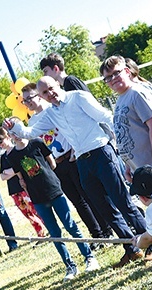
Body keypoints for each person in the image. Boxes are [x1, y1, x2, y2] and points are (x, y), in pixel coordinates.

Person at [5, 76, 147, 269]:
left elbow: (105, 116)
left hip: (101, 151)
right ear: (42, 96)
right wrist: (15, 127)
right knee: (103, 206)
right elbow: (30, 134)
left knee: (122, 200)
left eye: (51, 88)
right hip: (82, 160)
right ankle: (131, 247)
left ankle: (149, 242)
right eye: (44, 92)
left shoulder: (78, 97)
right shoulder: (49, 114)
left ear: (57, 85)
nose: (50, 94)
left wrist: (118, 145)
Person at [19, 82, 113, 247]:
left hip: (73, 157)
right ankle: (96, 235)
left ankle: (107, 230)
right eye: (25, 101)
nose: (28, 103)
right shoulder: (33, 121)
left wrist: (74, 152)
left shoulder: (54, 109)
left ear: (39, 95)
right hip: (56, 163)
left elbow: (70, 130)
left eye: (30, 98)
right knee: (76, 201)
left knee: (89, 196)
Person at [1, 128, 100, 281]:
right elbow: (21, 178)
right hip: (37, 197)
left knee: (70, 225)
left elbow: (52, 164)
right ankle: (70, 265)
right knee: (54, 233)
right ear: (9, 136)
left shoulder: (37, 142)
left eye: (17, 130)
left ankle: (89, 256)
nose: (16, 135)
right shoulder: (12, 155)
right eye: (12, 133)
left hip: (53, 189)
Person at [100, 55, 152, 178]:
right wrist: (128, 167)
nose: (113, 79)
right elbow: (124, 136)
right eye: (108, 77)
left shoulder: (137, 93)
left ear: (126, 71)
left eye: (116, 73)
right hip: (141, 168)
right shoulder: (120, 100)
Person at [0, 127, 47, 240]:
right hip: (13, 189)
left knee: (35, 210)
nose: (0, 144)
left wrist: (11, 171)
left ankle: (50, 229)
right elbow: (2, 176)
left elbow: (21, 168)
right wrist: (13, 171)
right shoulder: (4, 157)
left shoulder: (17, 151)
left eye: (1, 141)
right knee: (27, 214)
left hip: (25, 186)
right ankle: (40, 234)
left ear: (8, 137)